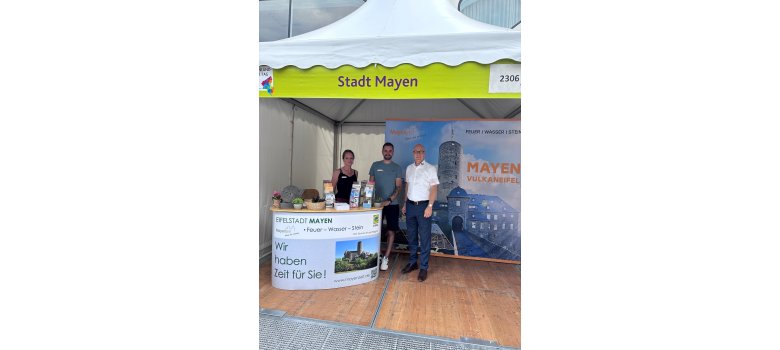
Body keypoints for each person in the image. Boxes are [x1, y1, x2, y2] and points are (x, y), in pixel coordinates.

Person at [401, 144, 439, 282]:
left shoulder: (430, 168)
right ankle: (413, 263)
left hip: (424, 206)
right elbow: (407, 187)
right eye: (416, 152)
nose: (419, 154)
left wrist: (430, 206)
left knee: (424, 238)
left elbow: (434, 189)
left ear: (424, 153)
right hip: (410, 206)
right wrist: (405, 203)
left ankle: (423, 267)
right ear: (413, 153)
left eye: (421, 152)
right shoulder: (409, 168)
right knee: (411, 236)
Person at [369, 142, 404, 271]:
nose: (388, 153)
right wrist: (370, 200)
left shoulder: (397, 168)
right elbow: (370, 184)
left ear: (392, 152)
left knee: (391, 231)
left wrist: (389, 200)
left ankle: (386, 258)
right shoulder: (375, 165)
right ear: (382, 151)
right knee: (375, 231)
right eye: (386, 150)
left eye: (390, 151)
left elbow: (398, 187)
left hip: (392, 204)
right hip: (376, 205)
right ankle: (376, 255)